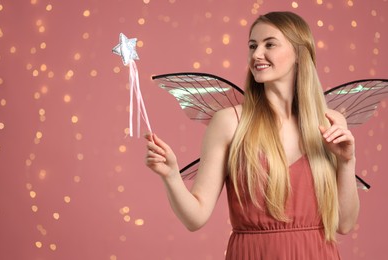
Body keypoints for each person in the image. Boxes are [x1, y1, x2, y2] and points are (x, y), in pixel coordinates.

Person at [144, 11, 360, 259]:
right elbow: (196, 217)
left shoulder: (329, 122)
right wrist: (171, 176)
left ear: (300, 53)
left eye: (269, 44)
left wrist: (346, 162)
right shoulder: (230, 122)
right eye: (252, 46)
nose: (257, 54)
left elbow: (344, 224)